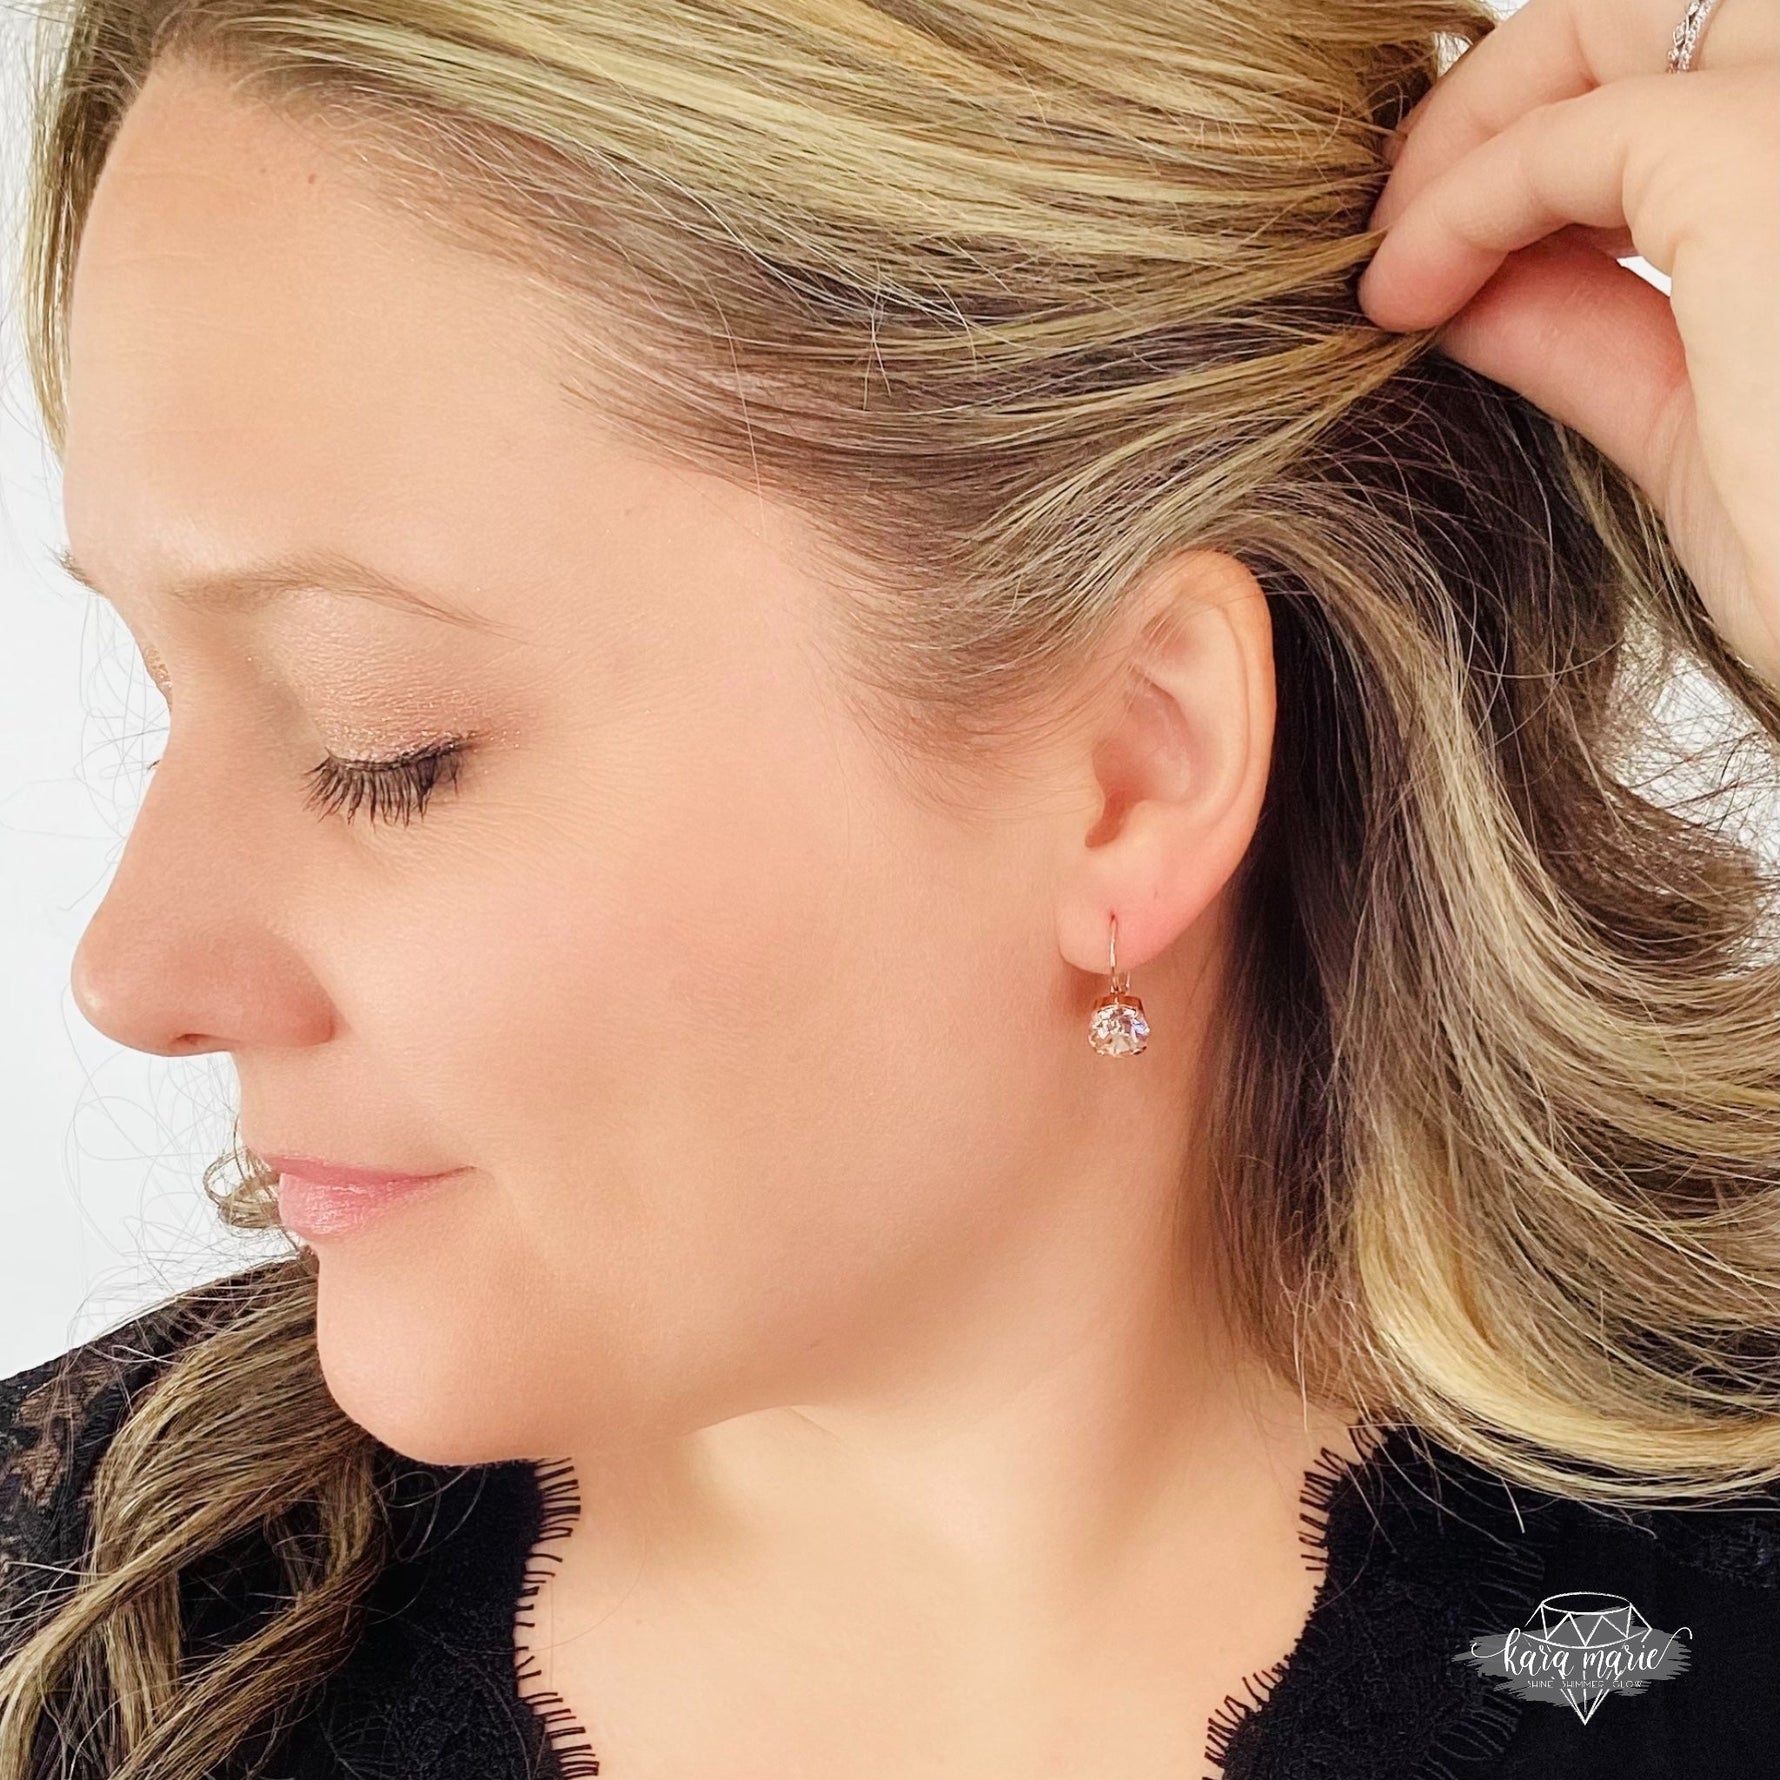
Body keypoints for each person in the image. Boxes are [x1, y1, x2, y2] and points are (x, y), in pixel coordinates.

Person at [2, 0, 1776, 1775]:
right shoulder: (60, 1627)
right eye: (163, 690)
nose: (129, 970)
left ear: (1134, 770)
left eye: (382, 743)